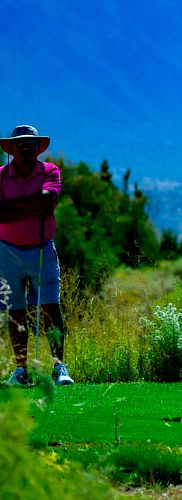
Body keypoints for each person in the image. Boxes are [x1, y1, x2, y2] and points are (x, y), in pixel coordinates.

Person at [0, 125, 74, 386]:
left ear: (37, 149)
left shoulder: (50, 171)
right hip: (6, 250)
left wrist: (11, 209)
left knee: (50, 306)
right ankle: (21, 371)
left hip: (42, 247)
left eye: (31, 145)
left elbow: (47, 201)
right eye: (20, 145)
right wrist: (33, 206)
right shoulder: (1, 175)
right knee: (14, 311)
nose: (26, 150)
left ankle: (59, 367)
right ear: (11, 149)